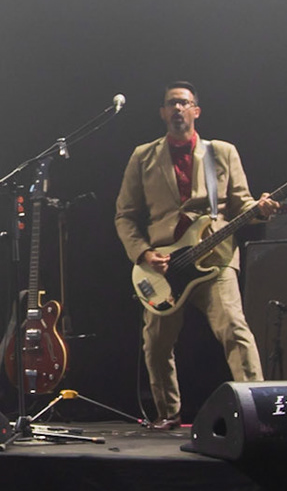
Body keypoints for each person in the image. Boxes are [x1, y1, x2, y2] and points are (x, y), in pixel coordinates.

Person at [115, 83, 277, 428]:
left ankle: (256, 410)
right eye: (171, 103)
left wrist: (259, 209)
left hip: (214, 257)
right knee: (156, 344)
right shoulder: (143, 156)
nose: (178, 109)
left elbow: (241, 203)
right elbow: (125, 215)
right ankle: (168, 413)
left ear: (196, 111)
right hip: (163, 264)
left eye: (184, 103)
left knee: (234, 329)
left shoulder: (221, 152)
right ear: (162, 112)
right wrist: (143, 253)